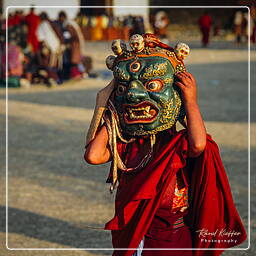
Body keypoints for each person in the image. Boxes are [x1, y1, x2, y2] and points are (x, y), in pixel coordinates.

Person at [84, 34, 246, 256]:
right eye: (125, 88)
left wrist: (190, 101)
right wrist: (109, 104)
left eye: (152, 84)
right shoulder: (128, 143)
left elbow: (199, 145)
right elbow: (93, 155)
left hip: (175, 238)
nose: (134, 94)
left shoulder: (176, 143)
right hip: (139, 238)